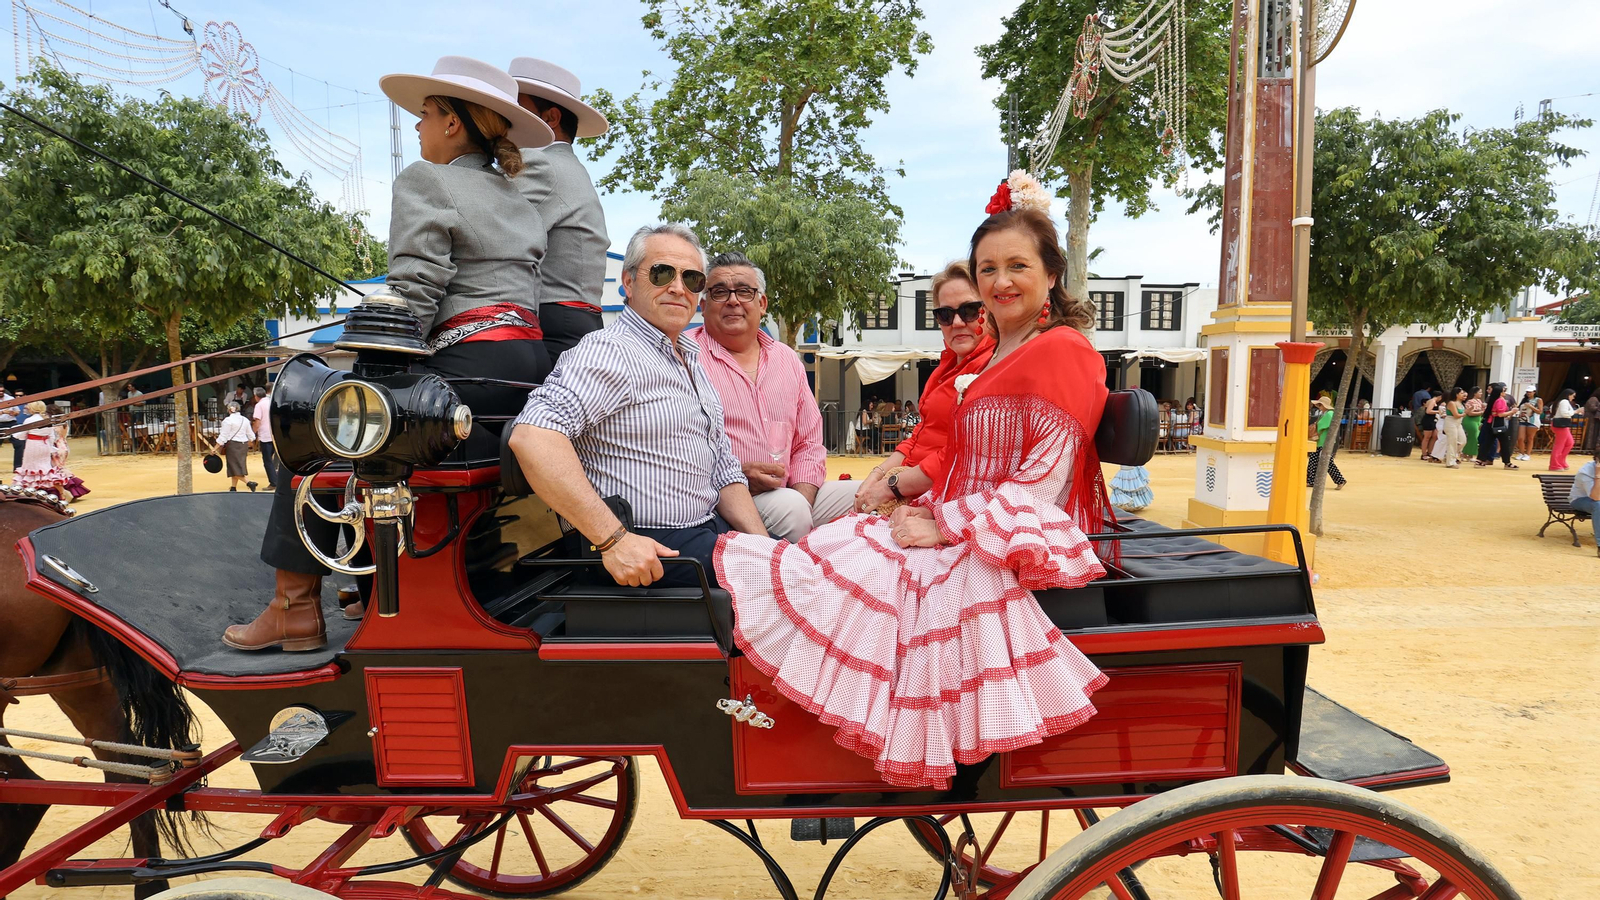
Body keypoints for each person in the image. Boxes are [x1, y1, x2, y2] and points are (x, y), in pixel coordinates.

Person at [714, 199, 1113, 789]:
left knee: (841, 577)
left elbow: (1039, 489)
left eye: (1017, 267)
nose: (1000, 282)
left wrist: (942, 523)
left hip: (997, 543)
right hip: (964, 525)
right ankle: (803, 742)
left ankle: (818, 754)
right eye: (987, 269)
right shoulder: (1002, 350)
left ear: (1051, 274)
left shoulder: (1062, 349)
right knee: (824, 558)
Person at [231, 56, 555, 653]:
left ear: (454, 124)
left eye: (426, 115)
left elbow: (416, 295)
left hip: (466, 374)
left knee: (313, 425)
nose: (418, 128)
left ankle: (294, 608)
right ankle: (365, 584)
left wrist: (369, 331)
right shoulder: (517, 196)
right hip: (522, 379)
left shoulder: (426, 180)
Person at [509, 223, 766, 589]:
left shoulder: (689, 358)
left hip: (703, 532)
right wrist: (613, 540)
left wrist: (766, 547)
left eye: (692, 278)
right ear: (628, 282)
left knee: (828, 559)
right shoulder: (612, 351)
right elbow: (532, 437)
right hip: (651, 546)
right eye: (662, 273)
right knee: (823, 584)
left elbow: (724, 471)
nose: (678, 287)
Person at [692, 251, 858, 542]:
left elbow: (808, 442)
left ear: (762, 303)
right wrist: (739, 474)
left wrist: (804, 494)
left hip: (793, 493)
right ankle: (792, 583)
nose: (733, 300)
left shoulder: (786, 359)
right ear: (703, 305)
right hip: (724, 498)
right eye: (719, 292)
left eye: (744, 291)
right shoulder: (686, 358)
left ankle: (840, 577)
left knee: (867, 495)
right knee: (791, 510)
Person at [856, 261, 995, 513]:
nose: (956, 322)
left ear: (990, 310)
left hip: (938, 498)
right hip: (907, 483)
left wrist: (890, 485)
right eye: (945, 314)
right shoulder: (945, 366)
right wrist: (877, 474)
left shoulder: (994, 366)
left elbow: (963, 456)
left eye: (970, 311)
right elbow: (920, 434)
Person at [508, 57, 609, 362]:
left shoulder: (542, 165)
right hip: (573, 323)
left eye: (517, 109)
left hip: (554, 327)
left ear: (550, 117)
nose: (505, 120)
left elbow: (488, 232)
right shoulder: (568, 167)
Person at [11, 401, 70, 500]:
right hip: (45, 445)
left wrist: (14, 433)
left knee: (30, 469)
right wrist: (50, 447)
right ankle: (62, 492)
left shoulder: (29, 420)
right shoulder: (47, 419)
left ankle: (30, 494)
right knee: (46, 469)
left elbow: (22, 436)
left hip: (32, 445)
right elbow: (51, 436)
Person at [211, 402, 256, 492]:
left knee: (233, 467)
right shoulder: (245, 420)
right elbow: (252, 436)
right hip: (243, 445)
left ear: (229, 410)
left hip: (233, 445)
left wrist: (214, 448)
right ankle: (233, 487)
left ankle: (249, 483)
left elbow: (223, 437)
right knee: (237, 466)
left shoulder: (228, 421)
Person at [1306, 397, 1345, 488]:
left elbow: (1322, 426)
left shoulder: (1329, 414)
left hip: (1324, 442)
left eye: (1320, 405)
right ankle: (1311, 480)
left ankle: (1340, 480)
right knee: (1313, 461)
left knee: (1327, 462)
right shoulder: (1324, 414)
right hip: (1320, 441)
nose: (1319, 407)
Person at [1476, 383, 1517, 469]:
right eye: (1503, 391)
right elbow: (1500, 414)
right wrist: (1512, 412)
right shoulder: (1500, 400)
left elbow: (1493, 412)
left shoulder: (1492, 399)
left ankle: (1480, 460)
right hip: (1498, 423)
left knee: (1487, 443)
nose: (1504, 392)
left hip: (1491, 423)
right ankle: (1507, 462)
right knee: (1505, 443)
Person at [1570, 450, 1600, 558]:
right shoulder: (1586, 471)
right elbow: (1596, 497)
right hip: (1581, 500)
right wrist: (1598, 475)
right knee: (1598, 505)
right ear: (1597, 459)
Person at [251, 385, 277, 488]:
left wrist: (252, 433)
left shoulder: (259, 405)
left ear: (256, 396)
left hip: (265, 435)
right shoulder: (271, 402)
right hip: (274, 434)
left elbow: (257, 421)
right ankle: (277, 480)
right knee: (274, 459)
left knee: (267, 460)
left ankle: (273, 482)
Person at [1436, 386, 1467, 468]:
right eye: (1461, 393)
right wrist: (1466, 413)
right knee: (1452, 442)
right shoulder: (1451, 403)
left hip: (1458, 423)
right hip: (1451, 423)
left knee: (1463, 441)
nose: (1463, 394)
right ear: (1456, 394)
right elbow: (1456, 415)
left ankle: (1449, 455)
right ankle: (1450, 462)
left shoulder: (1461, 403)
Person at [1550, 387, 1578, 471]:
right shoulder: (1565, 402)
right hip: (1562, 426)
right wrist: (1575, 412)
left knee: (1569, 442)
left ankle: (1560, 461)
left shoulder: (1559, 401)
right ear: (1568, 395)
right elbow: (1564, 413)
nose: (1573, 398)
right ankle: (1555, 464)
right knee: (1560, 445)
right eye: (1572, 396)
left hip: (1559, 425)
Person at [1515, 385, 1542, 461]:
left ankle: (1528, 454)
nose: (1528, 393)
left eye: (1530, 392)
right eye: (1527, 392)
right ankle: (1521, 452)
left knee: (1530, 438)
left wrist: (1531, 406)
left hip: (1532, 420)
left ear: (1534, 392)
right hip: (1523, 419)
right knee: (1520, 438)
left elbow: (1540, 411)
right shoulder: (1524, 399)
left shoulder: (1538, 400)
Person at [1418, 389, 1441, 461]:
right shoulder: (1432, 401)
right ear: (1439, 396)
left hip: (1432, 420)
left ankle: (1430, 452)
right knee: (1427, 437)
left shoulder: (1433, 402)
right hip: (1428, 420)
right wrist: (1438, 411)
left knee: (1435, 436)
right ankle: (1424, 454)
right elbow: (1428, 411)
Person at [1462, 386, 1485, 458]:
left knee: (1475, 436)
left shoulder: (1480, 401)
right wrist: (1481, 412)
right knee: (1474, 437)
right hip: (1470, 420)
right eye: (1479, 392)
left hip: (1478, 420)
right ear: (1475, 393)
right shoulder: (1470, 401)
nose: (1481, 393)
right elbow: (1469, 413)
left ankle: (1466, 453)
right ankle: (1470, 454)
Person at [0, 388, 18, 471]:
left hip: (10, 422)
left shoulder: (10, 399)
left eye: (2, 391)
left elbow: (17, 412)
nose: (1, 392)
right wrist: (3, 412)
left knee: (19, 443)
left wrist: (12, 413)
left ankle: (17, 467)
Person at [1583, 389, 1600, 454]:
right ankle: (1588, 449)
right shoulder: (1593, 399)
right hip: (1590, 419)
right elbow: (1592, 408)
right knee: (1590, 434)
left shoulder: (1596, 399)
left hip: (1593, 419)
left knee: (1593, 434)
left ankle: (1591, 449)